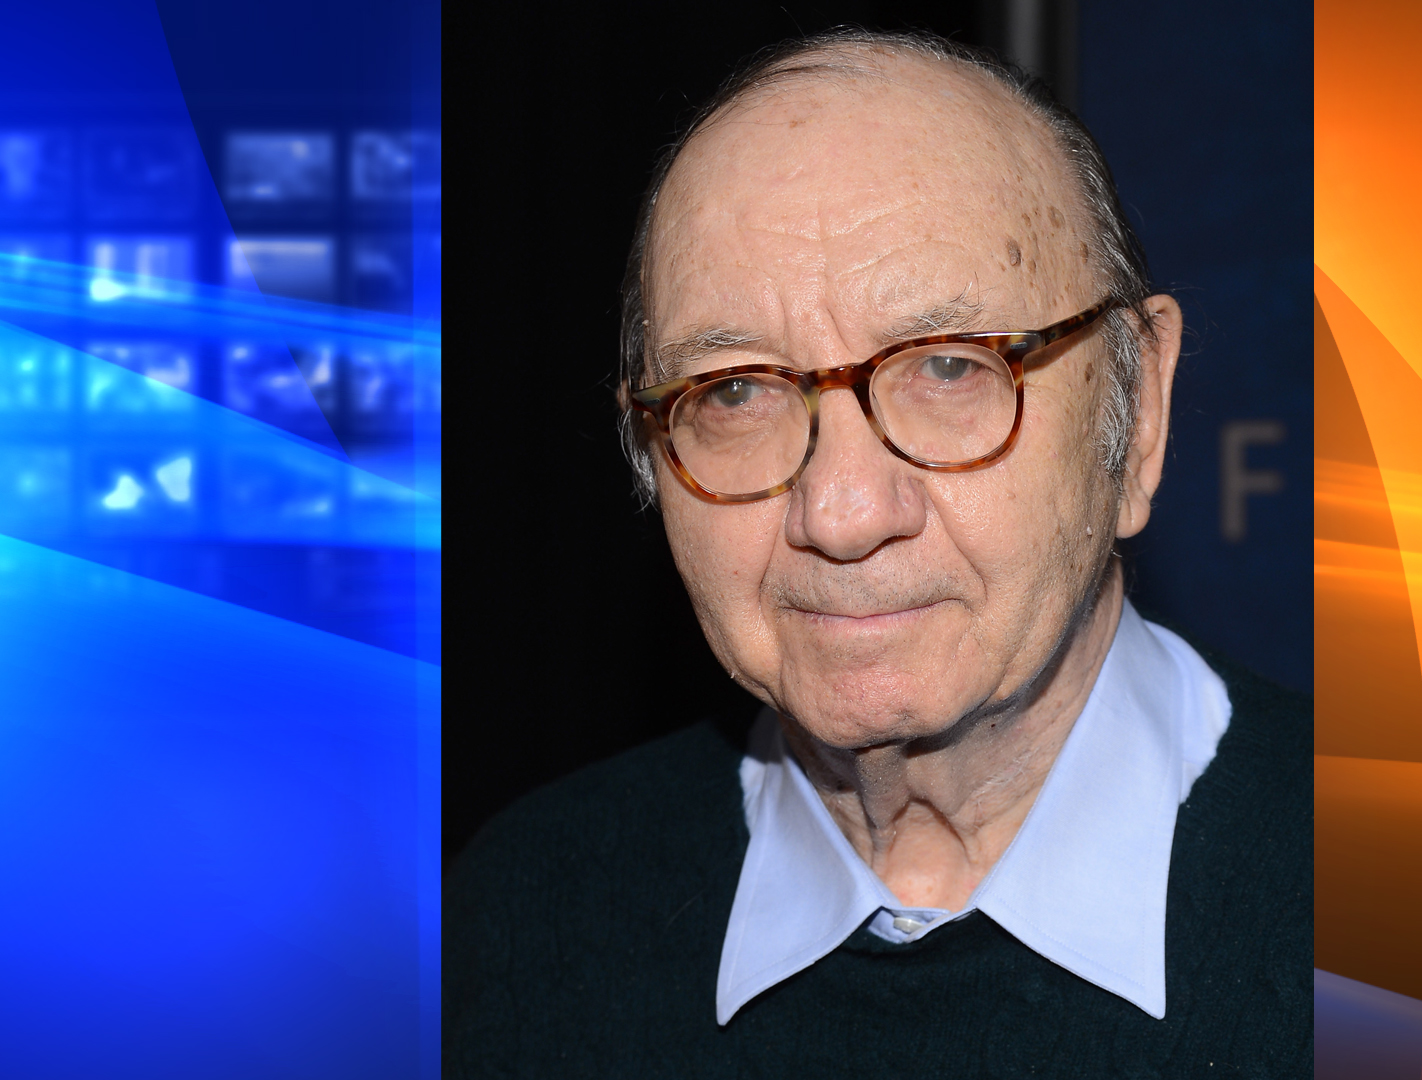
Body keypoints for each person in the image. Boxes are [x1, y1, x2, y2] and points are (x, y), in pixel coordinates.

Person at [446, 29, 1310, 1076]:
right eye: (734, 391)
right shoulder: (510, 933)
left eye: (950, 368)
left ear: (1141, 413)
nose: (844, 512)